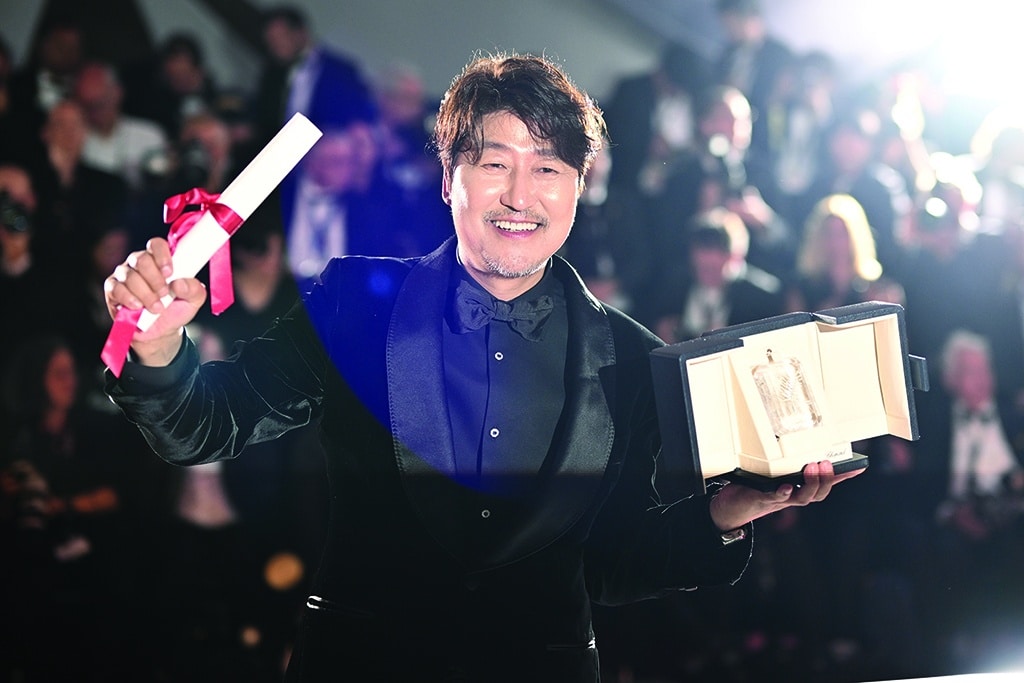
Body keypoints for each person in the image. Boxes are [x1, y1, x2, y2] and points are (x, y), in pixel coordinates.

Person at [102, 53, 858, 682]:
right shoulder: (354, 305)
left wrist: (731, 512)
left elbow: (613, 560)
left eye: (549, 169)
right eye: (494, 163)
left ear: (579, 189)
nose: (520, 195)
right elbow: (206, 423)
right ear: (448, 178)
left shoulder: (630, 357)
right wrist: (158, 345)